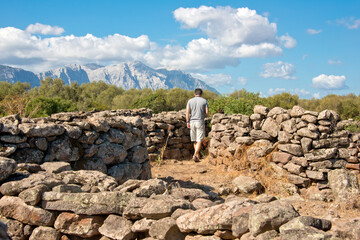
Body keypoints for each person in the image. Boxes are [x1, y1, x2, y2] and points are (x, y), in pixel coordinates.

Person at [186, 88, 209, 162]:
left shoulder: (190, 101)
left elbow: (187, 112)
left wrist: (187, 122)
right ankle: (195, 154)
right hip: (200, 121)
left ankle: (197, 155)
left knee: (194, 140)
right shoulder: (204, 101)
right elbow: (207, 112)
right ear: (201, 94)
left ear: (194, 93)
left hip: (192, 121)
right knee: (200, 139)